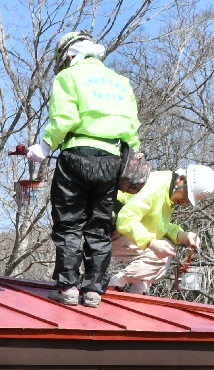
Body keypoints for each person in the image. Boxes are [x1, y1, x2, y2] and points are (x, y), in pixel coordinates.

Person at [25, 32, 140, 308]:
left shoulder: (68, 77)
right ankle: (93, 290)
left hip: (77, 155)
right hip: (112, 160)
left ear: (68, 55)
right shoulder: (122, 83)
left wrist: (43, 147)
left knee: (69, 222)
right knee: (99, 226)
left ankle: (67, 287)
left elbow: (65, 118)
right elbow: (132, 129)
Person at [108, 165, 214, 294]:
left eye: (190, 200)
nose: (185, 201)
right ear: (181, 179)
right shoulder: (156, 186)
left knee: (166, 250)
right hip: (110, 227)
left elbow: (156, 225)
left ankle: (138, 289)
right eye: (187, 195)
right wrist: (151, 242)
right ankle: (115, 283)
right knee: (160, 256)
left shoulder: (168, 191)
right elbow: (126, 218)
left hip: (122, 229)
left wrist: (181, 235)